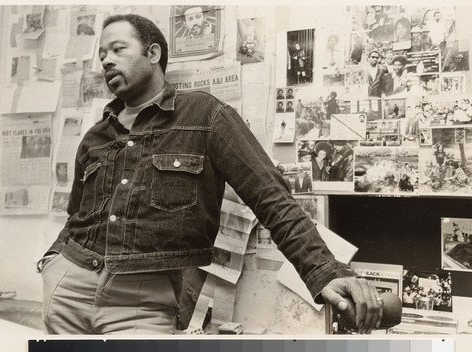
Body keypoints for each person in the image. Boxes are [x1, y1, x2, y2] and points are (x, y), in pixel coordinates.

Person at [36, 14, 385, 335]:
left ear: (153, 52)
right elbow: (77, 216)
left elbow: (272, 198)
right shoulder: (96, 137)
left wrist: (323, 271)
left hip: (143, 301)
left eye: (117, 49)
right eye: (101, 55)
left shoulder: (205, 115)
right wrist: (52, 264)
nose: (107, 60)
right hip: (69, 289)